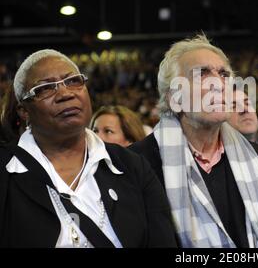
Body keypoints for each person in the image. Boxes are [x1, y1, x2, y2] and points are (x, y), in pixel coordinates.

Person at [0, 49, 177, 248]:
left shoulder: (132, 166)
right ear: (24, 111)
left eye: (73, 81)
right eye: (46, 88)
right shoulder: (7, 171)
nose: (65, 94)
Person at [130, 34, 258, 248]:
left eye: (224, 74)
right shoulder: (137, 163)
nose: (218, 83)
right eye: (202, 73)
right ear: (174, 98)